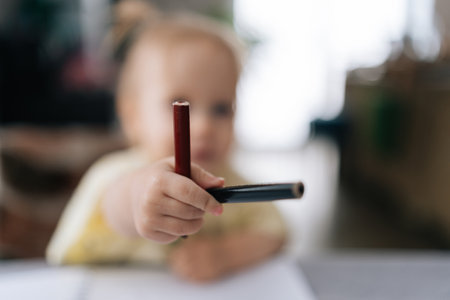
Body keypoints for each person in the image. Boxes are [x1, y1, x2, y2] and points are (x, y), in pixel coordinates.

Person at [46, 0, 286, 283]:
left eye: (221, 108)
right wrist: (138, 198)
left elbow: (275, 233)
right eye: (180, 104)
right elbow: (113, 205)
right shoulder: (114, 173)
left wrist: (225, 254)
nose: (205, 126)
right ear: (132, 116)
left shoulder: (229, 181)